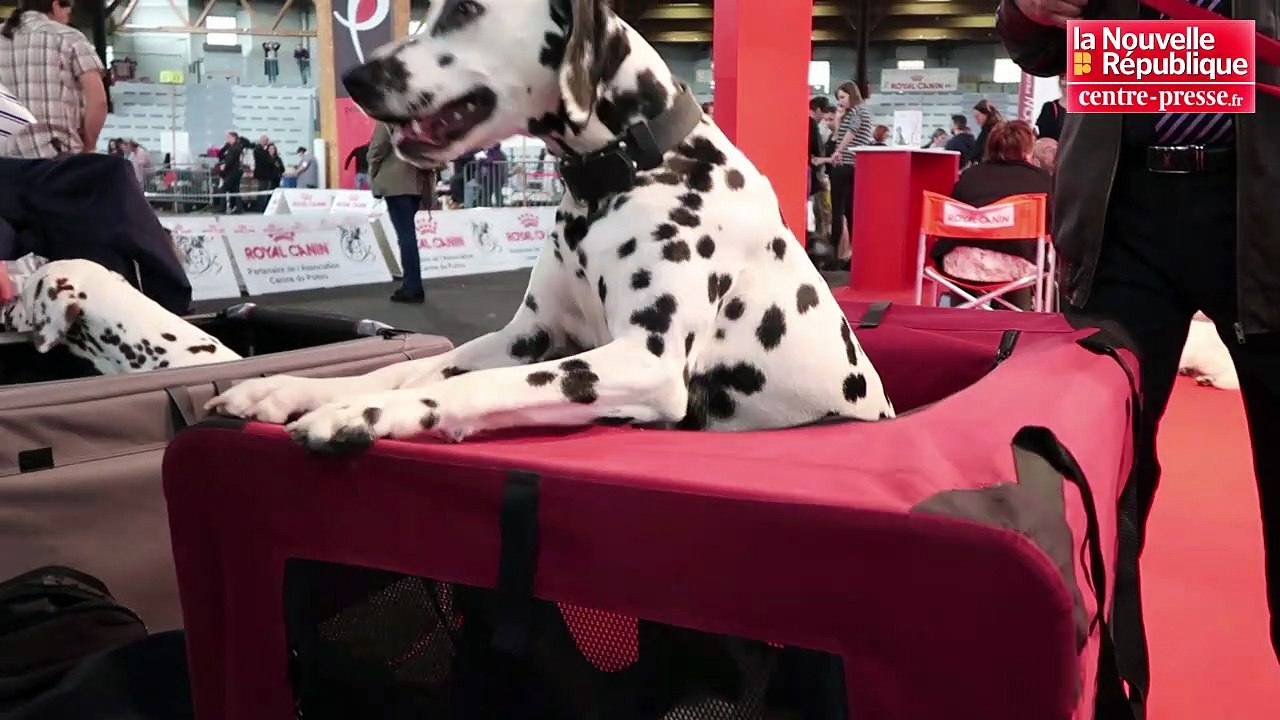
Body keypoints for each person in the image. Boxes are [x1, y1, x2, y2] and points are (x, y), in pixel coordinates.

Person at [999, 0, 1280, 675]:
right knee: (1100, 486)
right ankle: (1108, 693)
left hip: (1267, 213)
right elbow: (1030, 46)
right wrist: (1031, 11)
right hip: (1119, 224)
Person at [930, 120, 1052, 310]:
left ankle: (961, 313)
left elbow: (950, 221)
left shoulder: (970, 175)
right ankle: (1014, 320)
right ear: (1027, 149)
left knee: (967, 248)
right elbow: (1052, 227)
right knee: (1021, 252)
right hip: (1016, 268)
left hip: (960, 265)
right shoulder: (1041, 180)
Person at [0, 0, 107, 158]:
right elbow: (98, 101)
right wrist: (89, 147)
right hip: (55, 157)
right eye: (67, 13)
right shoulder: (69, 37)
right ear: (56, 5)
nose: (67, 19)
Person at [368, 123, 433, 304]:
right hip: (417, 184)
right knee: (408, 236)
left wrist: (373, 175)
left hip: (395, 184)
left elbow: (376, 149)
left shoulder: (389, 121)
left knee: (405, 237)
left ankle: (412, 287)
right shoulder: (421, 122)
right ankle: (413, 285)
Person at [819, 81, 874, 269]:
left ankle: (833, 257)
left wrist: (838, 151)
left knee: (838, 211)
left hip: (844, 165)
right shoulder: (864, 112)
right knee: (851, 211)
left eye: (843, 97)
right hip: (857, 166)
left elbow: (850, 132)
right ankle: (853, 256)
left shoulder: (857, 112)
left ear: (852, 94)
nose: (841, 102)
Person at [1035, 75, 1067, 141]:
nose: (1065, 82)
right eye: (1063, 77)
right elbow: (1044, 137)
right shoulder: (1050, 108)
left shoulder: (1088, 111)